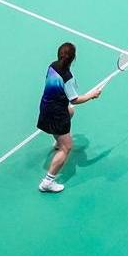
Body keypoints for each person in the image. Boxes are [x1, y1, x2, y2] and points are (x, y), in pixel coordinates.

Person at [37, 42, 102, 192]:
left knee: (71, 112)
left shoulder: (52, 66)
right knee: (67, 147)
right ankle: (47, 182)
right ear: (73, 58)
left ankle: (58, 141)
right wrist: (92, 95)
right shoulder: (67, 77)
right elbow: (75, 100)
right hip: (57, 114)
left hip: (46, 106)